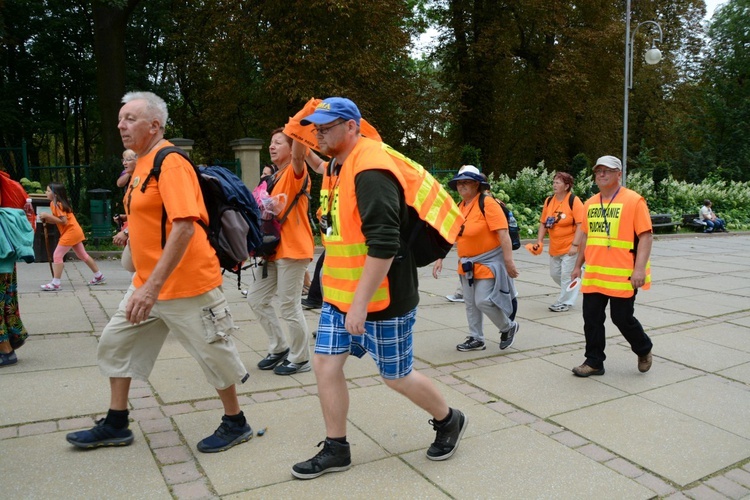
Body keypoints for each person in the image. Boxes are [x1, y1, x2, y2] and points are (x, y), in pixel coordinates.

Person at [289, 97, 467, 480]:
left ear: (353, 126)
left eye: (327, 126)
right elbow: (325, 173)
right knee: (325, 364)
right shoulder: (339, 162)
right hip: (342, 294)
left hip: (382, 297)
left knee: (396, 376)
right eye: (316, 128)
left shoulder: (370, 168)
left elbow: (384, 244)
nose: (319, 132)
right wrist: (300, 147)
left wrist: (359, 305)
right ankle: (336, 447)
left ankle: (449, 419)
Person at [65, 91, 253, 453]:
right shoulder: (141, 166)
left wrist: (150, 287)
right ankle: (117, 423)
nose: (122, 124)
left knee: (215, 355)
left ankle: (236, 422)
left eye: (131, 118)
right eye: (121, 118)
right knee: (115, 343)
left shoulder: (171, 163)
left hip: (187, 284)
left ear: (155, 125)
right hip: (147, 284)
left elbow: (184, 226)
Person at [570, 155, 653, 377]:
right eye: (598, 171)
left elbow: (645, 236)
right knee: (592, 319)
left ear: (619, 174)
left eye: (607, 170)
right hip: (595, 274)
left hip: (623, 274)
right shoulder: (590, 203)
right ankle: (594, 361)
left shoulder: (634, 201)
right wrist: (578, 266)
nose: (602, 174)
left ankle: (643, 348)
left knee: (622, 319)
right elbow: (586, 237)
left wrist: (639, 269)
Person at [247, 128, 314, 375]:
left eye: (278, 143)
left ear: (292, 147)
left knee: (289, 305)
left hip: (293, 248)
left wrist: (297, 129)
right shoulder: (273, 177)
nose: (272, 147)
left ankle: (300, 358)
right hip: (272, 250)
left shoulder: (296, 171)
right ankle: (279, 347)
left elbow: (299, 156)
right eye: (271, 143)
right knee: (256, 299)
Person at [433, 165, 520, 352]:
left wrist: (508, 261)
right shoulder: (459, 207)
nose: (461, 186)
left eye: (466, 182)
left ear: (476, 184)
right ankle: (476, 338)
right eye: (459, 183)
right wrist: (440, 257)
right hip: (467, 263)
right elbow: (451, 235)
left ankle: (508, 327)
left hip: (489, 261)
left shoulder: (487, 203)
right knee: (471, 304)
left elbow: (503, 233)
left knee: (483, 300)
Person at [37, 183, 105, 291]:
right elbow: (58, 221)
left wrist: (48, 216)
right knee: (82, 255)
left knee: (57, 255)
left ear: (55, 194)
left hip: (71, 232)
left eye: (48, 191)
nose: (46, 193)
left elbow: (63, 221)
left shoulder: (57, 205)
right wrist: (47, 219)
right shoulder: (53, 204)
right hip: (74, 231)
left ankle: (56, 283)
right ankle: (98, 275)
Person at [534, 172, 585, 312]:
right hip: (555, 246)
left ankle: (564, 302)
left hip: (571, 246)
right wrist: (539, 241)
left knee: (566, 275)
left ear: (567, 186)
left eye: (558, 182)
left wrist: (575, 245)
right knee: (555, 274)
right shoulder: (549, 201)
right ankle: (573, 285)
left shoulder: (574, 201)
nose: (554, 185)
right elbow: (544, 222)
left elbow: (581, 224)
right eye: (554, 182)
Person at [0, 186, 34, 367]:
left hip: (3, 251)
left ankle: (6, 349)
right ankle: (14, 335)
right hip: (5, 250)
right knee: (6, 299)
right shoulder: (8, 184)